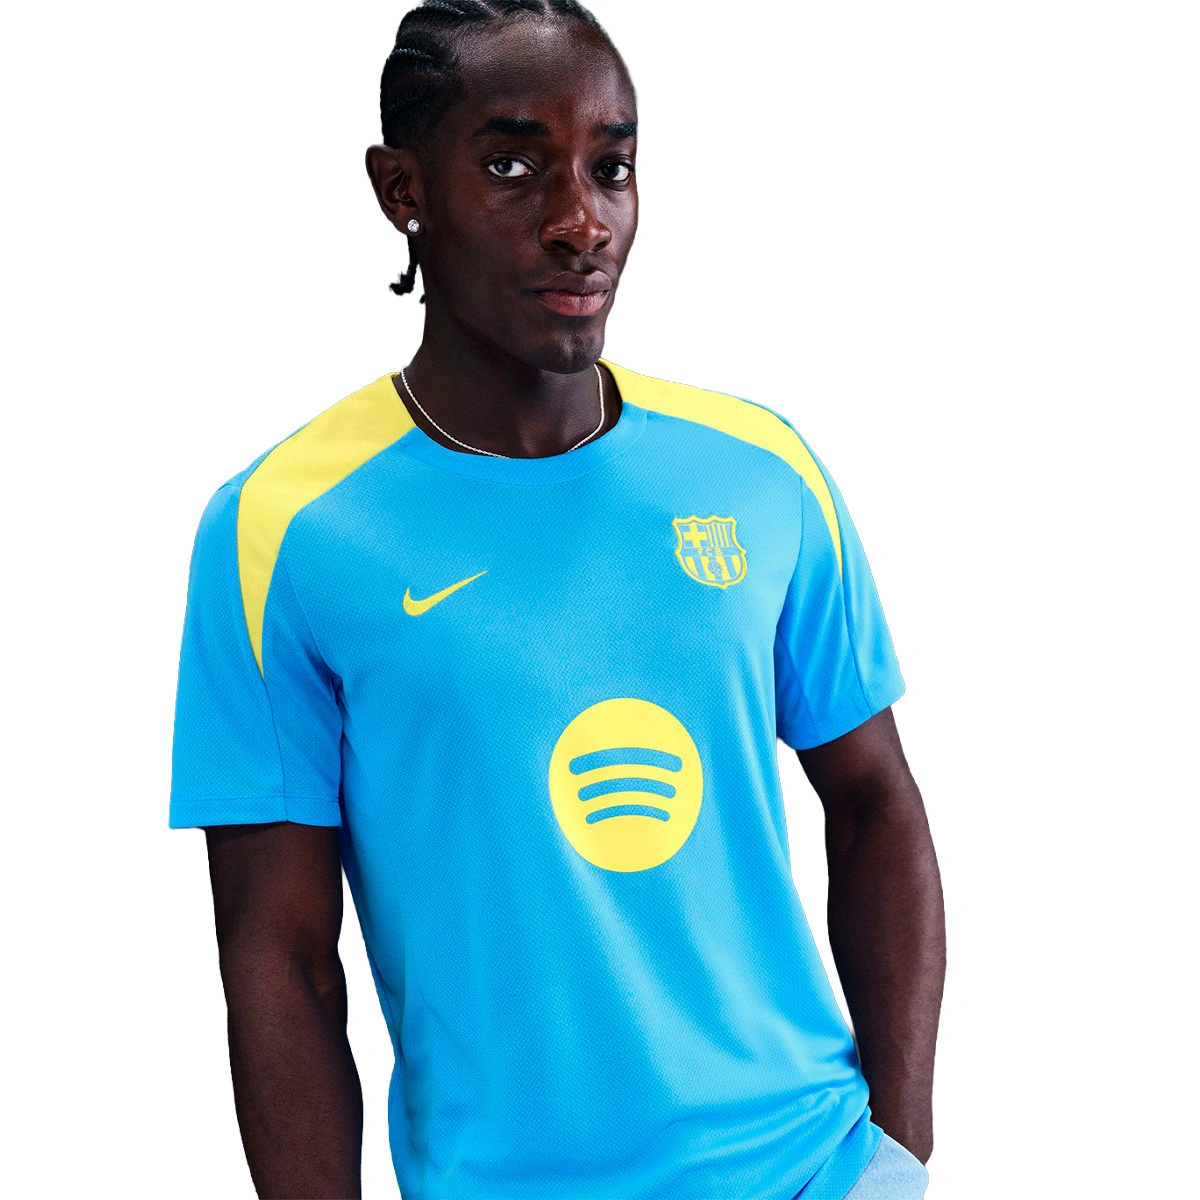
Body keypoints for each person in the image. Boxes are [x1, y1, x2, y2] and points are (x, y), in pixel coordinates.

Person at [168, 2, 946, 1197]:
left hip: (811, 1168)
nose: (581, 221)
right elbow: (280, 960)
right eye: (513, 166)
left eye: (611, 167)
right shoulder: (283, 530)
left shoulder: (760, 472)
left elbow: (876, 800)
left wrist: (899, 1154)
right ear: (402, 190)